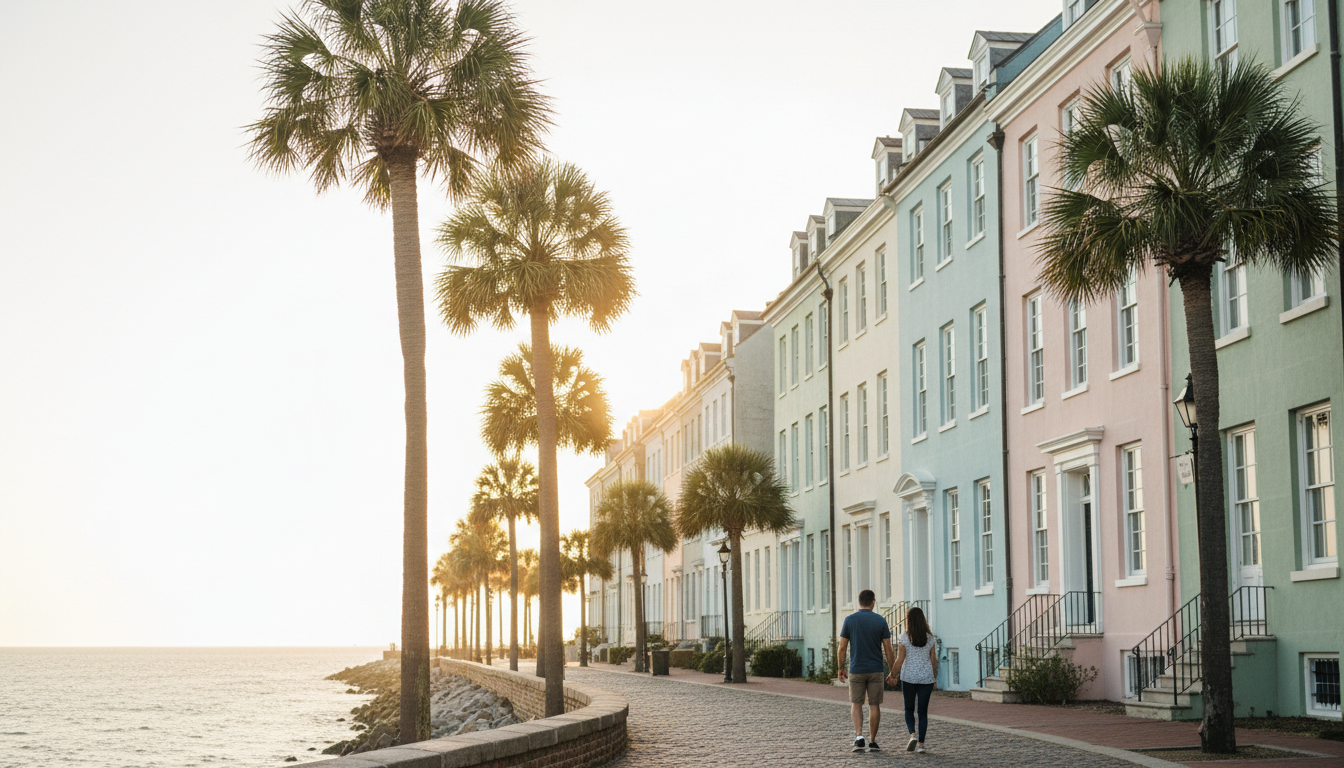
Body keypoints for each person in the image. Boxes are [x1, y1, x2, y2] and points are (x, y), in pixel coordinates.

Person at [837, 589, 895, 753]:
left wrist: (841, 668)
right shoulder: (880, 621)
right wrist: (893, 672)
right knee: (874, 705)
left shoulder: (849, 620)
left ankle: (859, 736)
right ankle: (873, 741)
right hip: (875, 669)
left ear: (858, 602)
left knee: (856, 703)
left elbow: (842, 648)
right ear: (873, 602)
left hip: (856, 669)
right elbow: (888, 650)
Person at [892, 606, 938, 753]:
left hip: (909, 678)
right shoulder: (930, 639)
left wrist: (892, 674)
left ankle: (912, 734)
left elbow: (900, 660)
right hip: (926, 678)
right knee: (923, 712)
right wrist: (934, 677)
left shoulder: (904, 637)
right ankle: (921, 745)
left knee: (909, 709)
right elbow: (934, 661)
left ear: (909, 621)